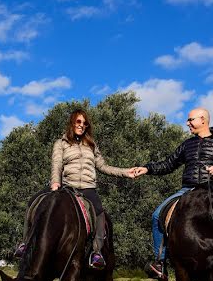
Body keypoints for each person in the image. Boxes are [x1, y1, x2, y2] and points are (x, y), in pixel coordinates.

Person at [17, 109, 136, 269]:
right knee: (34, 201)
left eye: (85, 123)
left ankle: (97, 252)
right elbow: (57, 164)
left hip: (87, 188)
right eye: (79, 122)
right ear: (72, 122)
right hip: (67, 186)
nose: (82, 125)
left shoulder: (91, 145)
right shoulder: (61, 143)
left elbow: (103, 166)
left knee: (99, 212)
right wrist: (55, 183)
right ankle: (25, 243)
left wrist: (126, 172)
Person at [132, 108, 213, 280]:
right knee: (157, 215)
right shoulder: (187, 145)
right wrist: (147, 168)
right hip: (187, 189)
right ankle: (159, 262)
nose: (187, 123)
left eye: (190, 120)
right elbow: (168, 164)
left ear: (203, 120)